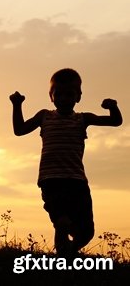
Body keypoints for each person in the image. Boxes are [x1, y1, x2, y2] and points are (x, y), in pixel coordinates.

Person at [9, 68, 123, 257]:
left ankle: (68, 252)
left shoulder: (82, 119)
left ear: (78, 96)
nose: (64, 98)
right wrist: (17, 105)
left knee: (86, 232)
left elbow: (115, 121)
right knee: (61, 222)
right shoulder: (44, 116)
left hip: (77, 181)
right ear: (51, 96)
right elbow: (19, 129)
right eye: (58, 94)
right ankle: (63, 257)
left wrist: (113, 106)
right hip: (51, 180)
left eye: (69, 94)